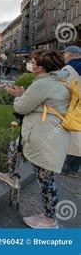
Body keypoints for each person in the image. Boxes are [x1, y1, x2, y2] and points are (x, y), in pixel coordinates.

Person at [0, 50, 71, 229]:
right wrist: (24, 93)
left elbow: (22, 107)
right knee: (15, 146)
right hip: (46, 133)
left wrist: (18, 98)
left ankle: (49, 220)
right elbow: (41, 101)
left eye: (32, 61)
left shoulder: (43, 83)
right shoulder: (58, 80)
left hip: (44, 137)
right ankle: (12, 176)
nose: (29, 64)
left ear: (40, 67)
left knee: (45, 179)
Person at [61, 46, 81, 177]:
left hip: (74, 106)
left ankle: (72, 168)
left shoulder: (69, 69)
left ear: (70, 54)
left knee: (75, 138)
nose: (64, 56)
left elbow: (62, 88)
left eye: (65, 54)